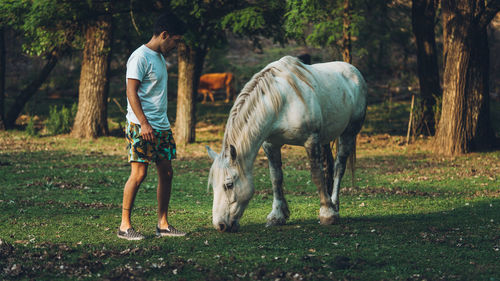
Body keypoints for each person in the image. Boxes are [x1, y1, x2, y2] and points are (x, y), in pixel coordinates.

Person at [118, 14, 186, 240]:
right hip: (141, 126)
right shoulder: (139, 57)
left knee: (167, 172)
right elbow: (131, 91)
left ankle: (163, 224)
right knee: (138, 174)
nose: (175, 46)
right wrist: (144, 123)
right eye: (175, 41)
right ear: (164, 35)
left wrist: (160, 124)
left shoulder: (158, 56)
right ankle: (124, 226)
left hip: (161, 126)